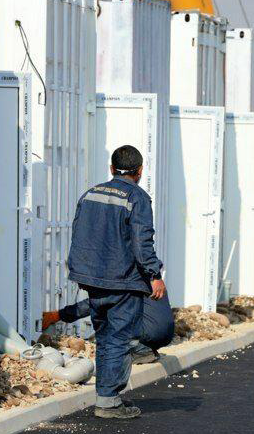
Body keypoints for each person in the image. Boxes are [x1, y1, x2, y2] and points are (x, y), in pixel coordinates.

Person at [67, 145, 165, 419]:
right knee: (120, 339)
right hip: (123, 280)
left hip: (93, 279)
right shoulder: (138, 198)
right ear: (140, 171)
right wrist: (154, 275)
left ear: (112, 169)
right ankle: (108, 402)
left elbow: (78, 234)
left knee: (105, 337)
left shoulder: (90, 194)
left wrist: (81, 272)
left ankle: (105, 396)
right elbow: (142, 242)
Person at [41, 293, 175, 365]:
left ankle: (140, 350)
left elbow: (95, 303)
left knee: (111, 312)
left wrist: (58, 315)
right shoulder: (153, 278)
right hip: (166, 335)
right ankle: (145, 348)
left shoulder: (131, 279)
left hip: (150, 332)